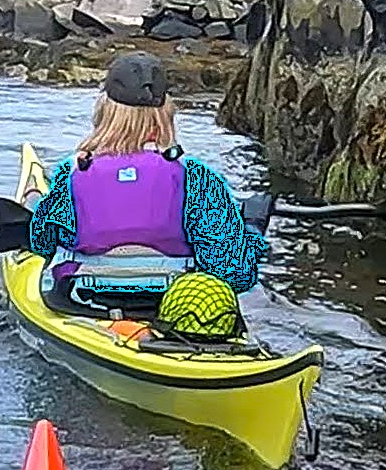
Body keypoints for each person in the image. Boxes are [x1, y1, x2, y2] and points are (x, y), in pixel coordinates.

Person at [26, 52, 271, 325]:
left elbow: (41, 243)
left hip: (84, 305)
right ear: (166, 113)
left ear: (105, 110)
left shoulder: (72, 172)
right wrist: (251, 227)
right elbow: (235, 273)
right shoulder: (196, 177)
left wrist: (35, 205)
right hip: (173, 311)